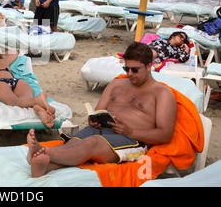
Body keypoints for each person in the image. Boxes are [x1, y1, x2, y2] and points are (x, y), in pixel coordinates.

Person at [26, 42, 177, 177]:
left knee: (92, 143)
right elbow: (98, 110)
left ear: (149, 66)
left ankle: (43, 151)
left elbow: (165, 134)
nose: (129, 74)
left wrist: (130, 131)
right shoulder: (117, 84)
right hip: (102, 130)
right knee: (73, 143)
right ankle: (45, 167)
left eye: (135, 70)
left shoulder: (162, 94)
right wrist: (93, 121)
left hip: (132, 140)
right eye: (126, 68)